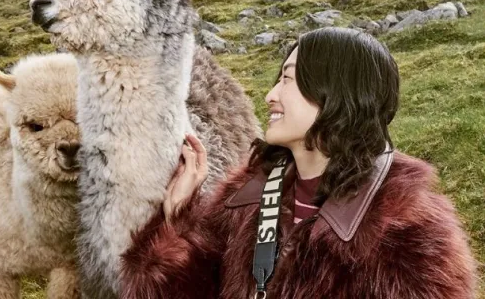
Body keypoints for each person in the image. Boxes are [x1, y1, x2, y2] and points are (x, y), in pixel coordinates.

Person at [120, 27, 477, 299]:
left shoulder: (410, 236)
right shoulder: (245, 195)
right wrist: (177, 221)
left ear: (336, 93)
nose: (270, 95)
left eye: (288, 80)